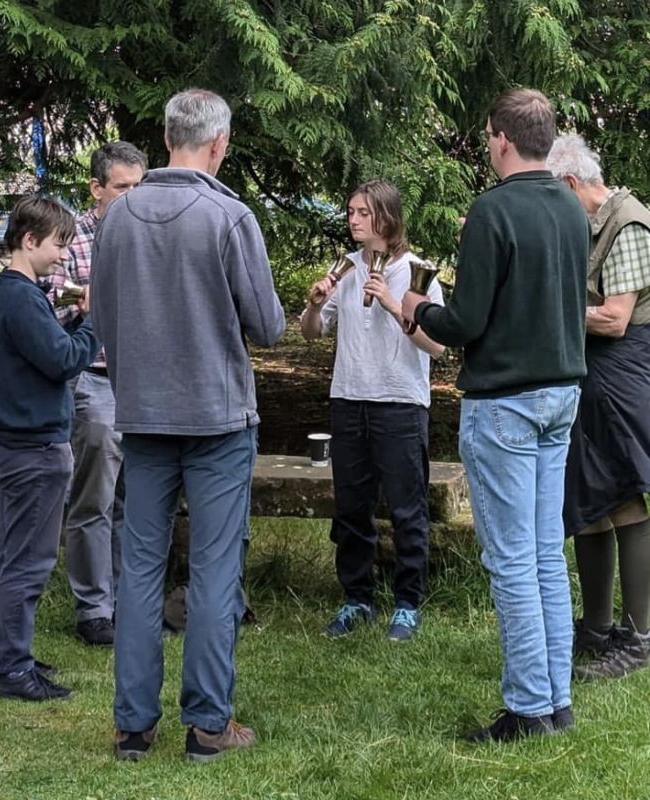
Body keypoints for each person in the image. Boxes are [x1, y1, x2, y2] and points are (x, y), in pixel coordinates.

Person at [90, 88, 285, 762]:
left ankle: (133, 726)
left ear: (168, 136)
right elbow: (268, 326)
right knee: (213, 569)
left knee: (139, 568)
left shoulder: (117, 217)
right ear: (219, 143)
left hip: (143, 416)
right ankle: (207, 725)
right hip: (217, 418)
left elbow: (101, 323)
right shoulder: (228, 218)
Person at [402, 89, 590, 742]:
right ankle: (556, 700)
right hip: (561, 395)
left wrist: (417, 310)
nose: (487, 145)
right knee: (543, 555)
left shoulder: (492, 210)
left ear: (502, 139)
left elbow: (464, 322)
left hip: (506, 402)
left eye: (487, 137)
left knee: (512, 561)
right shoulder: (571, 205)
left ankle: (527, 709)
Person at [301, 179, 444, 641]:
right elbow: (311, 334)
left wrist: (392, 304)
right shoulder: (342, 270)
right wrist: (312, 306)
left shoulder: (417, 272)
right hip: (348, 398)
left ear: (386, 216)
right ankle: (356, 598)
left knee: (407, 508)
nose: (353, 220)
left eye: (363, 212)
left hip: (400, 403)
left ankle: (407, 603)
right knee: (351, 508)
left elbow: (437, 347)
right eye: (350, 212)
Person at [0, 196, 100, 701]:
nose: (62, 257)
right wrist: (96, 322)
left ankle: (4, 657)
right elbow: (63, 360)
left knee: (10, 554)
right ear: (29, 241)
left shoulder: (11, 295)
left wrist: (71, 321)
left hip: (14, 440)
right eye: (57, 245)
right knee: (28, 561)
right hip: (33, 446)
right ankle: (12, 670)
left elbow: (44, 348)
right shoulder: (21, 297)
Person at [547, 133, 650, 681]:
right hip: (589, 373)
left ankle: (639, 638)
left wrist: (550, 304)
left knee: (623, 492)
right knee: (586, 494)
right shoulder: (585, 225)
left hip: (623, 371)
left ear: (569, 184)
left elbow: (613, 317)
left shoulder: (629, 222)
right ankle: (595, 630)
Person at [49, 141, 147, 647]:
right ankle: (93, 608)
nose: (132, 197)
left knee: (136, 495)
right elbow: (46, 302)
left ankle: (129, 599)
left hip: (145, 382)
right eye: (122, 187)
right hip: (94, 378)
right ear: (96, 188)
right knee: (95, 496)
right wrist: (86, 307)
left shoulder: (149, 235)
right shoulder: (74, 239)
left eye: (139, 186)